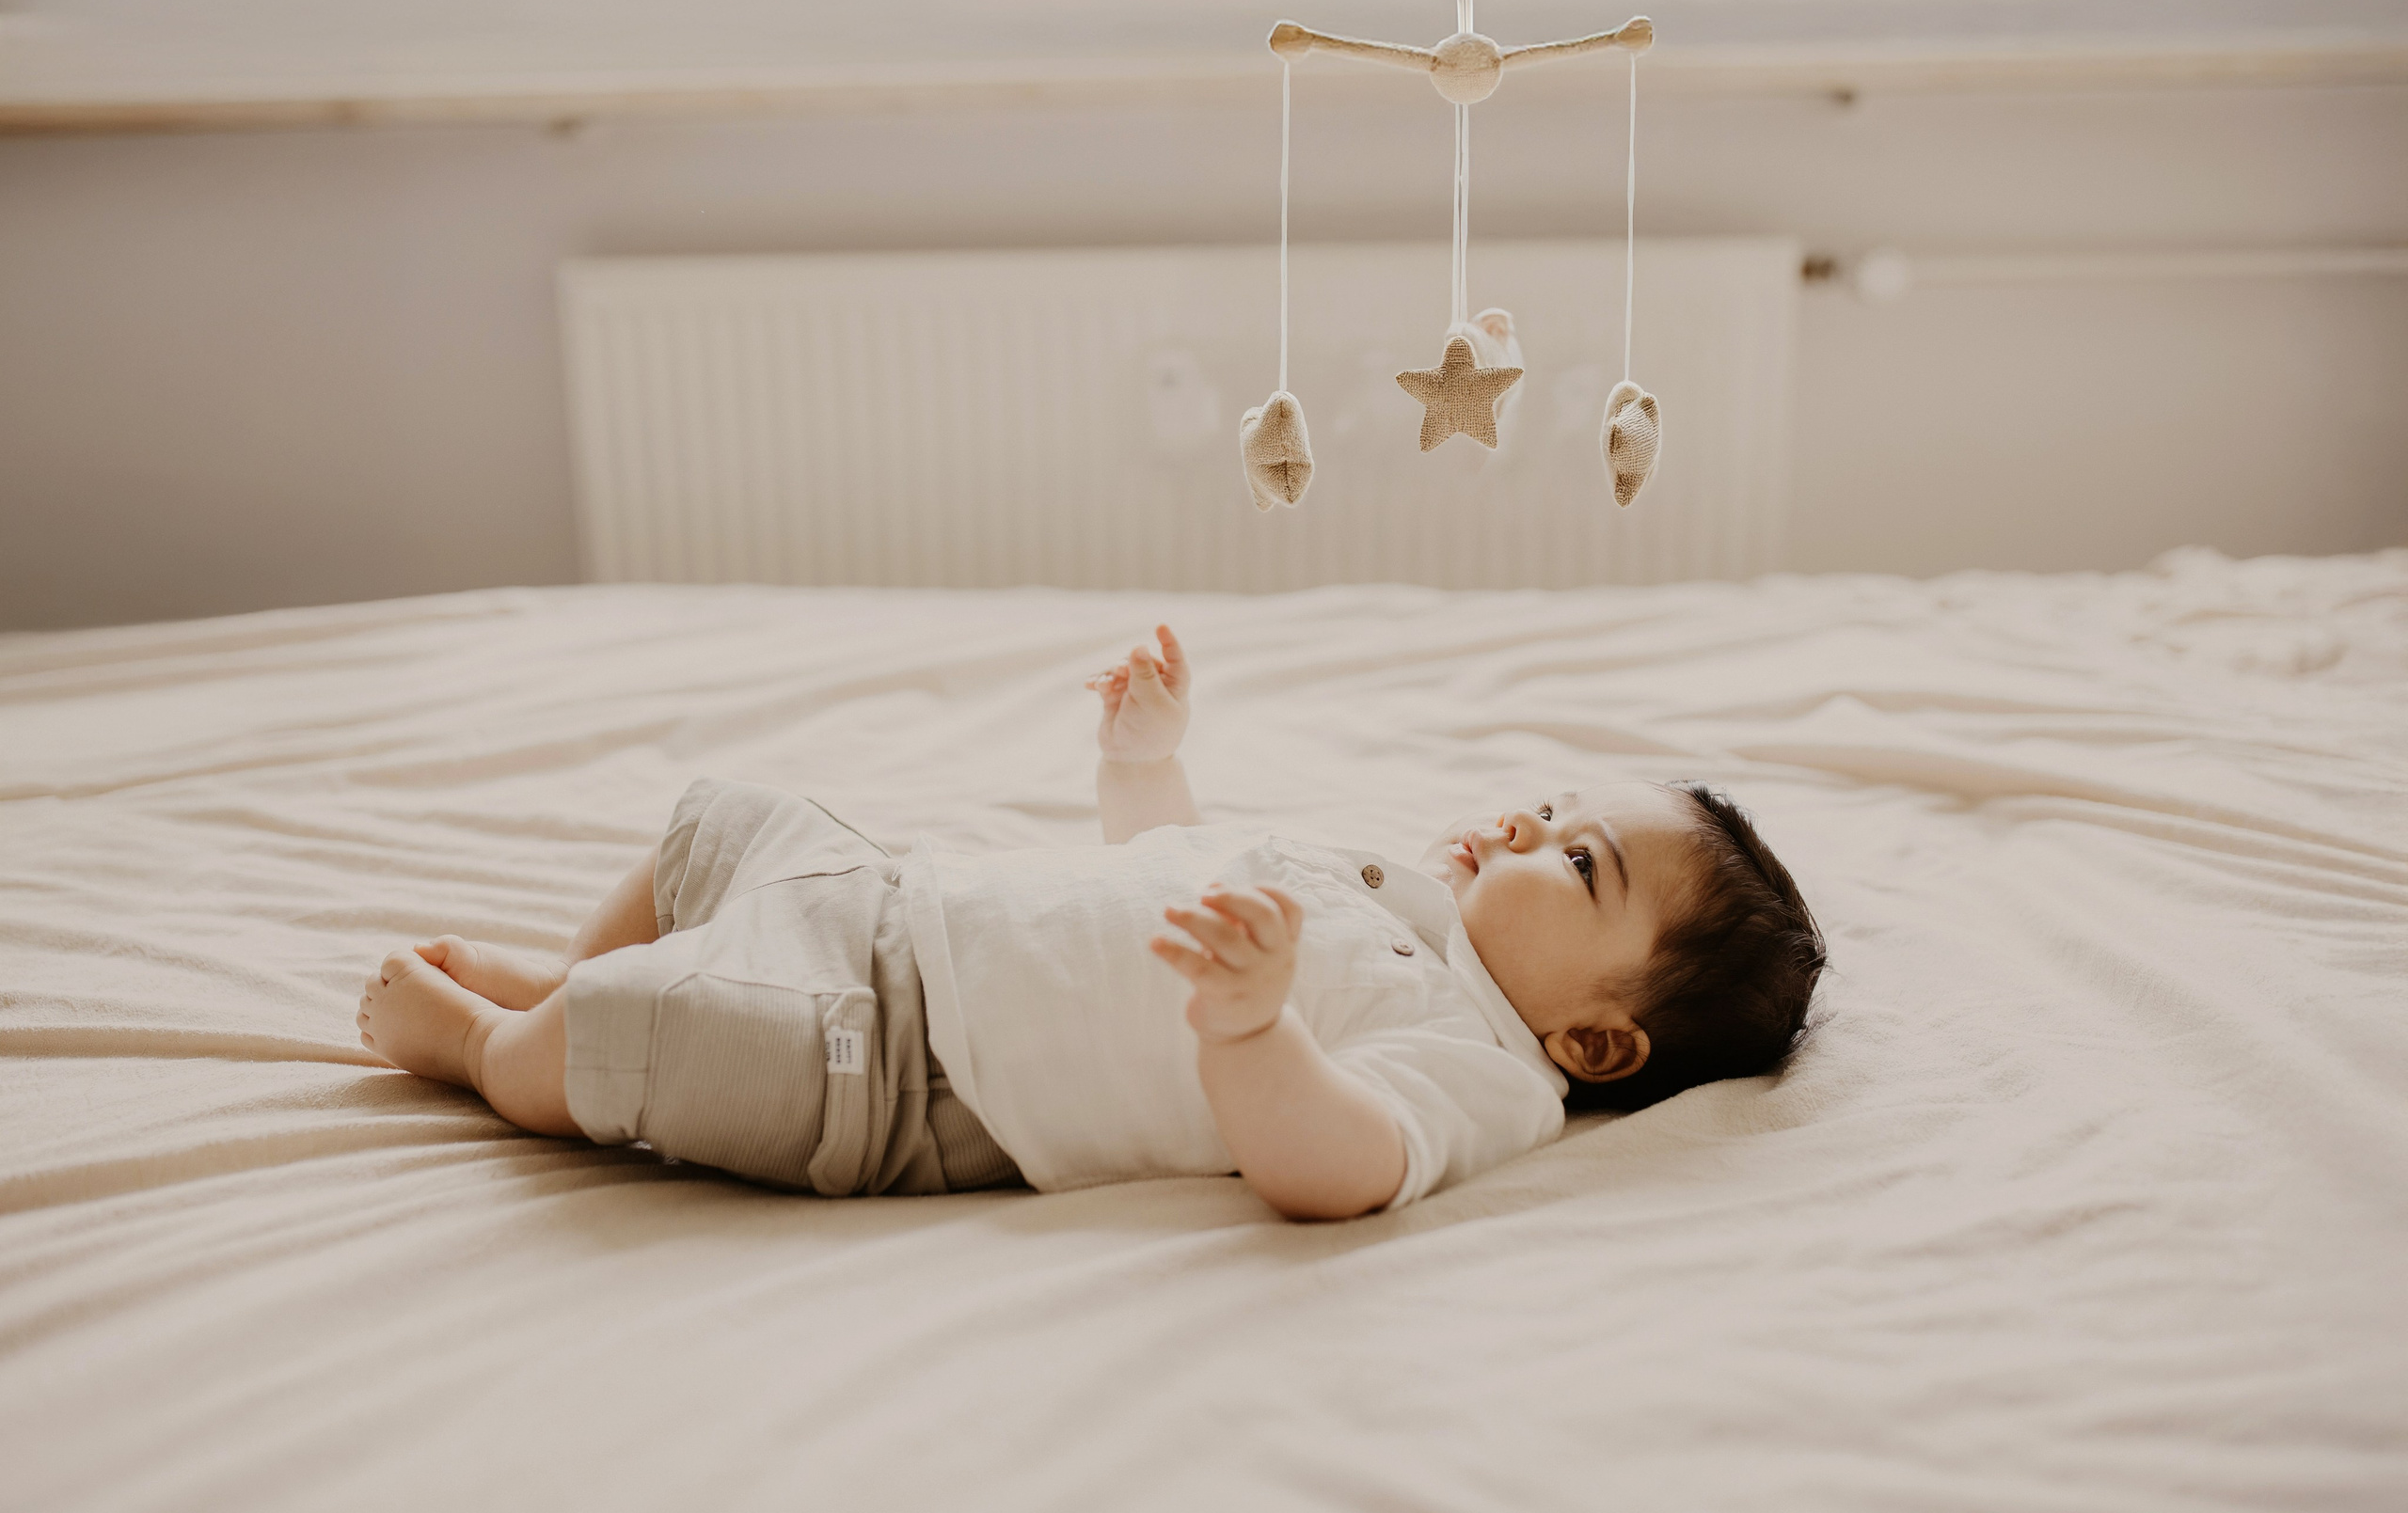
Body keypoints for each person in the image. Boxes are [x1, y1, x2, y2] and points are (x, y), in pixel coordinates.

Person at [357, 625, 1822, 1219]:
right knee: (720, 822)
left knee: (647, 1042)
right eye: (1545, 805)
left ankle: (497, 1049)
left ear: (1601, 1039)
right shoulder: (1396, 888)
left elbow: (1342, 1167)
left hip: (901, 1071)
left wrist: (1252, 1030)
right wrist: (1144, 767)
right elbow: (1167, 869)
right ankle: (577, 967)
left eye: (1573, 866)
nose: (1518, 828)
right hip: (899, 907)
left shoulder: (1486, 1068)